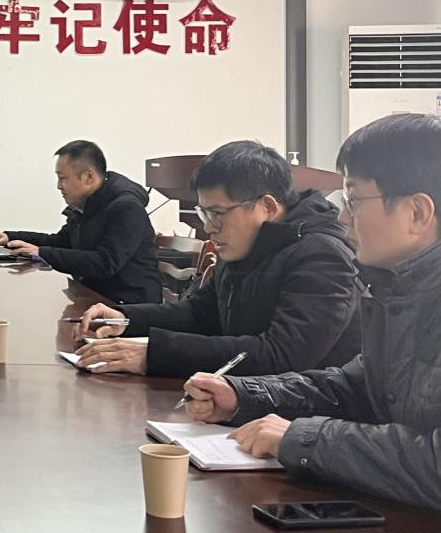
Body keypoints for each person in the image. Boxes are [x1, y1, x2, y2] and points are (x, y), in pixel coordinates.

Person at [184, 114, 441, 511]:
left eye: (353, 201)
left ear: (418, 213)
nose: (342, 217)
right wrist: (243, 396)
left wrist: (305, 438)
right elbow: (353, 388)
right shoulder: (394, 290)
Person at [75, 139, 360, 378]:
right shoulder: (247, 242)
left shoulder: (323, 256)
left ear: (267, 207)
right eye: (204, 213)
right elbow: (201, 313)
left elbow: (281, 355)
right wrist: (126, 318)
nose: (209, 227)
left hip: (293, 416)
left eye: (217, 213)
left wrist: (154, 355)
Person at [0, 141, 162, 304]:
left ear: (88, 176)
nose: (58, 186)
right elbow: (61, 242)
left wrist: (41, 253)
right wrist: (9, 238)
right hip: (95, 296)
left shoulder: (126, 208)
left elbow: (105, 263)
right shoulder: (88, 205)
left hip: (127, 307)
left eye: (62, 178)